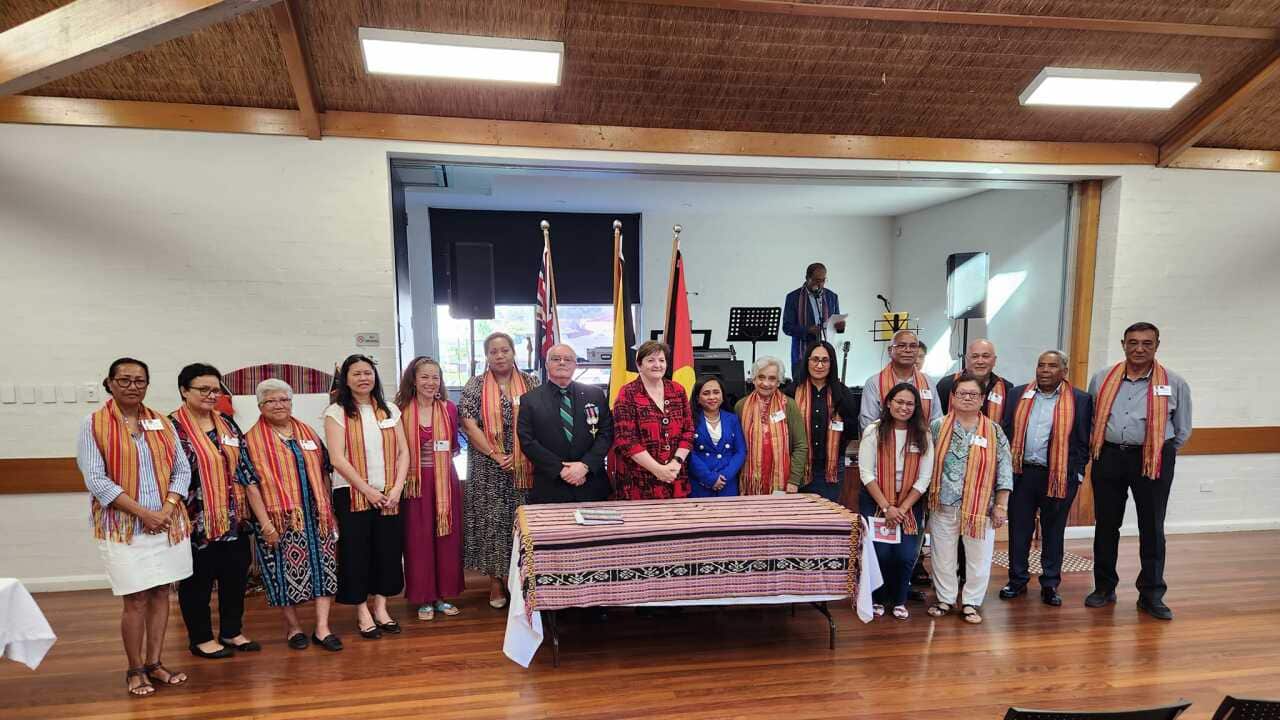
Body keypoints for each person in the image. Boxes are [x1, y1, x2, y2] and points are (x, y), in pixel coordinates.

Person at [77, 358, 193, 697]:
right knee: (136, 598)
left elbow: (182, 469)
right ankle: (135, 668)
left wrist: (166, 509)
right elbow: (96, 479)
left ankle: (155, 663)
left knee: (161, 593)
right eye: (125, 380)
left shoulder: (162, 422)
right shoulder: (93, 423)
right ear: (110, 383)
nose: (133, 386)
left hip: (167, 522)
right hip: (125, 526)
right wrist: (144, 513)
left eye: (140, 380)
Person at [1086, 322, 1192, 620]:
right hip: (1109, 456)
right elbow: (1091, 417)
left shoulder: (1174, 382)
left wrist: (1157, 450)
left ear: (1157, 345)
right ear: (1123, 344)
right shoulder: (1102, 378)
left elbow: (1182, 429)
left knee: (1152, 526)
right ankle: (1104, 587)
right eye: (1133, 342)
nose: (1139, 349)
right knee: (1106, 525)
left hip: (1153, 458)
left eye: (1147, 343)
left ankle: (1151, 594)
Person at [242, 379, 341, 651]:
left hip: (316, 516)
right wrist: (266, 525)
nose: (278, 405)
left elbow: (324, 471)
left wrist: (329, 510)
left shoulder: (308, 432)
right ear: (260, 406)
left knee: (324, 571)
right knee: (282, 575)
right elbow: (250, 485)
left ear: (291, 402)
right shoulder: (250, 441)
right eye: (271, 401)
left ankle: (322, 628)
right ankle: (294, 628)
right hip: (278, 520)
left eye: (283, 399)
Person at [169, 363, 260, 660]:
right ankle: (201, 638)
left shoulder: (228, 424)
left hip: (233, 517)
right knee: (198, 581)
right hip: (193, 517)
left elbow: (244, 465)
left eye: (215, 390)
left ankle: (231, 631)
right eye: (203, 389)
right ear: (184, 391)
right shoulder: (170, 427)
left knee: (235, 576)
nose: (211, 395)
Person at [323, 354, 410, 639]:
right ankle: (362, 611)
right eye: (357, 373)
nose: (363, 378)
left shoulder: (390, 410)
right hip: (352, 494)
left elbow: (404, 452)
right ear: (346, 380)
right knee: (356, 553)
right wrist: (368, 491)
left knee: (387, 551)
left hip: (390, 494)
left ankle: (381, 608)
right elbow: (337, 458)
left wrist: (396, 489)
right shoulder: (336, 412)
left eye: (368, 373)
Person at [999, 351, 1092, 607]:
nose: (1045, 370)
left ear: (1064, 371)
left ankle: (1050, 583)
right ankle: (1017, 580)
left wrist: (1077, 474)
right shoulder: (1018, 394)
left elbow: (1083, 440)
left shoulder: (1080, 399)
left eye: (1052, 366)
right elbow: (1006, 431)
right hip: (1022, 474)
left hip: (1059, 476)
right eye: (1041, 365)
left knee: (1053, 531)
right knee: (1019, 530)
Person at [459, 332, 540, 608]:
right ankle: (495, 582)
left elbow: (541, 420)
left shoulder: (531, 382)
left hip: (524, 464)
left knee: (520, 523)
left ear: (514, 352)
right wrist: (495, 454)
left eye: (505, 350)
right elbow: (468, 424)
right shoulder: (475, 385)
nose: (500, 355)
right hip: (487, 465)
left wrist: (518, 453)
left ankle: (521, 581)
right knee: (492, 524)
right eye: (493, 351)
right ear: (487, 356)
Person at [925, 372, 1013, 625]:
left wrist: (1001, 505)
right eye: (962, 393)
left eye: (973, 394)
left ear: (982, 399)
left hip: (981, 508)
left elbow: (1004, 469)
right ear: (952, 398)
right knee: (943, 556)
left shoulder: (994, 431)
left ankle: (971, 602)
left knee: (979, 558)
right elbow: (924, 464)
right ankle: (945, 599)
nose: (967, 398)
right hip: (943, 505)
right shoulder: (937, 427)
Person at [395, 357, 465, 622]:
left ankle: (441, 596)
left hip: (445, 480)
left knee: (446, 538)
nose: (430, 382)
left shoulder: (449, 408)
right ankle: (423, 597)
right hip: (414, 483)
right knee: (418, 540)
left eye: (435, 377)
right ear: (413, 380)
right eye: (424, 377)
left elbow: (454, 447)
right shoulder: (399, 410)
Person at [858, 383, 934, 620]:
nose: (904, 407)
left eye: (910, 403)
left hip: (909, 502)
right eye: (899, 402)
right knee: (881, 553)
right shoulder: (874, 431)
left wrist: (901, 508)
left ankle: (900, 600)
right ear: (889, 403)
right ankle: (878, 598)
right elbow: (866, 473)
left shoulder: (923, 434)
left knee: (905, 555)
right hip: (877, 500)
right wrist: (886, 507)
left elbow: (925, 478)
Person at [517, 344, 614, 503]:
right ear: (547, 364)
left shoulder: (595, 394)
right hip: (551, 486)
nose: (562, 362)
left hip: (591, 484)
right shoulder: (530, 400)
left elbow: (606, 433)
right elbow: (527, 441)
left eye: (568, 359)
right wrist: (561, 470)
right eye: (556, 359)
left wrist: (585, 466)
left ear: (575, 365)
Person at [610, 340, 696, 500]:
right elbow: (626, 440)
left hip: (675, 477)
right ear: (639, 365)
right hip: (639, 482)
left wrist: (676, 462)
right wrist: (658, 470)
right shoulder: (627, 394)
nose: (657, 365)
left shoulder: (677, 390)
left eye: (662, 360)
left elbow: (689, 431)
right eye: (651, 360)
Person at [784, 341, 859, 502]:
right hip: (796, 469)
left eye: (825, 360)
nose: (819, 365)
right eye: (815, 359)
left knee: (827, 514)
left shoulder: (843, 393)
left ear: (832, 363)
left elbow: (850, 432)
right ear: (807, 361)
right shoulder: (791, 391)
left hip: (831, 470)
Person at [734, 356, 808, 495]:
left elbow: (800, 445)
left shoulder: (789, 405)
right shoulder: (741, 406)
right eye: (761, 377)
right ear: (754, 379)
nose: (766, 383)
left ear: (779, 382)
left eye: (772, 378)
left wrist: (794, 481)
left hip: (782, 481)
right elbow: (736, 447)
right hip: (749, 480)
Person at [860, 330, 942, 430]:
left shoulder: (928, 382)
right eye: (902, 345)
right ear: (890, 351)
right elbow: (868, 426)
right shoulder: (874, 383)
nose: (908, 350)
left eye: (913, 346)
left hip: (923, 438)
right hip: (884, 439)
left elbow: (937, 422)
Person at [688, 376, 746, 497]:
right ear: (698, 398)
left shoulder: (733, 419)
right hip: (700, 484)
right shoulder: (689, 420)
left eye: (716, 392)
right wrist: (709, 478)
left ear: (723, 396)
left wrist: (724, 477)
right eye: (706, 393)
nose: (712, 397)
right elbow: (688, 452)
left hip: (727, 484)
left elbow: (740, 452)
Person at [782, 262, 845, 373]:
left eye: (823, 280)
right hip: (802, 355)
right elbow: (787, 327)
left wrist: (840, 327)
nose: (820, 284)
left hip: (826, 355)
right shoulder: (793, 297)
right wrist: (808, 330)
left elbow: (835, 324)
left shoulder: (832, 297)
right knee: (801, 384)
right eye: (816, 280)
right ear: (807, 278)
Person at [936, 339, 1014, 419]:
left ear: (994, 360)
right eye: (975, 356)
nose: (980, 361)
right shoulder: (946, 384)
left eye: (985, 356)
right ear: (966, 359)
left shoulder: (1006, 388)